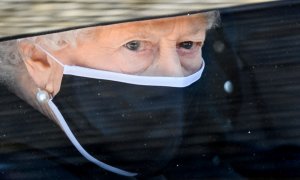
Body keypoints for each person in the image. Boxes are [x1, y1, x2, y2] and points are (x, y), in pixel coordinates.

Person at [0, 11, 219, 178]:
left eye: (187, 44)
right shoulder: (15, 166)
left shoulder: (210, 138)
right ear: (41, 59)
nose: (174, 73)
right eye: (134, 45)